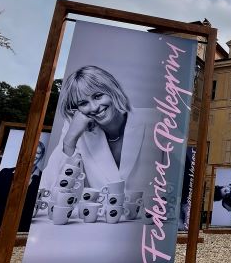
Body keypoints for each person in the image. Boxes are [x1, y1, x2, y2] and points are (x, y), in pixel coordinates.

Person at [41, 65, 159, 194]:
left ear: (112, 90)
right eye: (83, 103)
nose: (94, 107)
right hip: (102, 214)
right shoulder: (77, 131)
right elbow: (48, 189)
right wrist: (69, 140)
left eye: (98, 96)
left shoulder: (156, 120)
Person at [0, 141, 46, 233]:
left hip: (23, 230)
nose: (34, 155)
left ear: (41, 157)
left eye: (38, 153)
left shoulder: (43, 178)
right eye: (31, 151)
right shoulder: (5, 173)